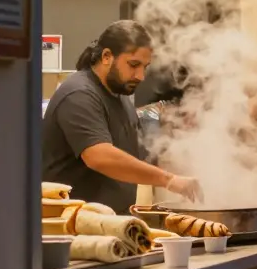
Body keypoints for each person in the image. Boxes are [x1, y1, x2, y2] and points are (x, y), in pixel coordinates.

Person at [43, 20, 201, 211]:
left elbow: (134, 154)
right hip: (75, 226)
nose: (140, 76)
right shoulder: (79, 94)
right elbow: (99, 156)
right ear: (107, 56)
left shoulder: (121, 96)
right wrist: (169, 180)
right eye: (133, 65)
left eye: (145, 66)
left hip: (110, 224)